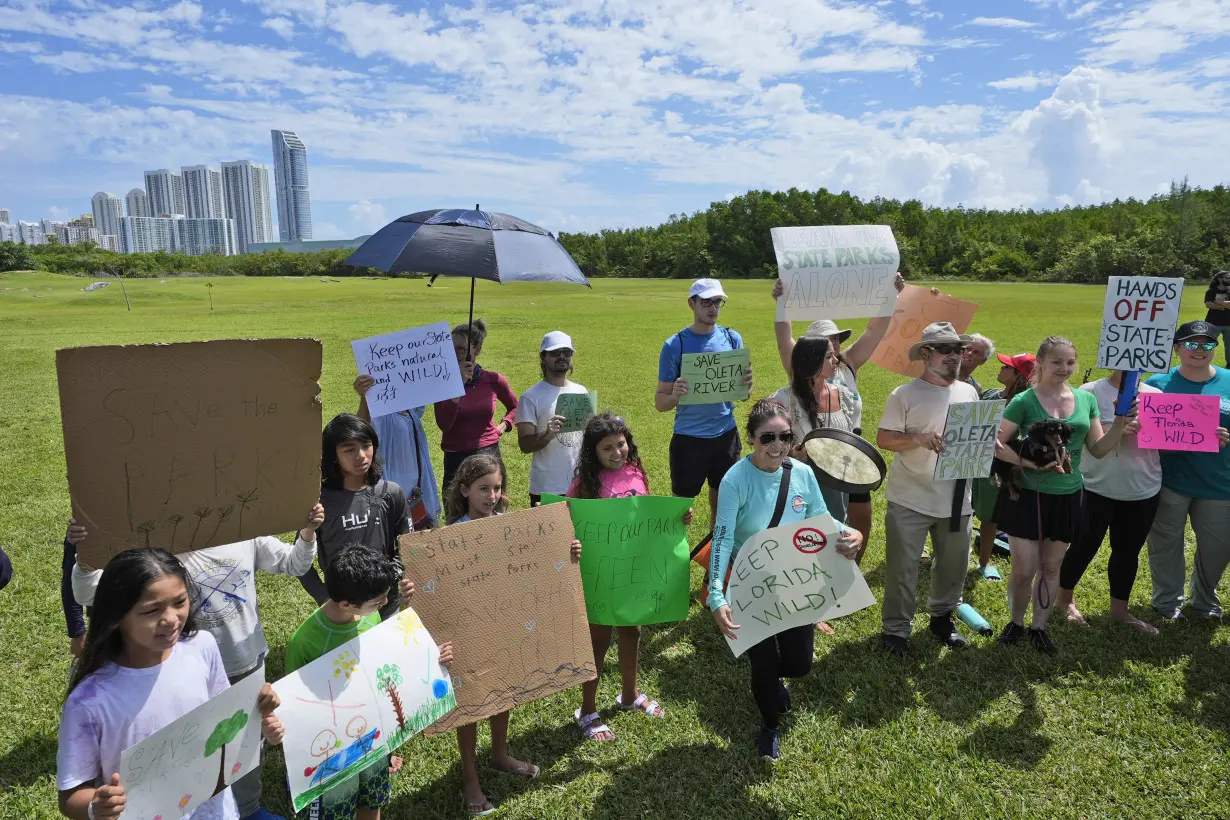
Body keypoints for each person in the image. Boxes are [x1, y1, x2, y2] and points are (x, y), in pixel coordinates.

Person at [70, 504, 323, 820]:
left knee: (243, 745)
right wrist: (86, 557)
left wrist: (308, 531)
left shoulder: (243, 533)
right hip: (187, 673)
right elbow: (89, 592)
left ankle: (247, 808)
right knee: (192, 750)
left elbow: (295, 563)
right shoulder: (158, 551)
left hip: (247, 660)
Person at [56, 548, 284, 820]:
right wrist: (97, 806)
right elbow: (70, 795)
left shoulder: (203, 647)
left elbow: (225, 724)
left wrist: (259, 718)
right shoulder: (89, 701)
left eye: (179, 602)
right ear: (117, 616)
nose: (171, 618)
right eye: (152, 610)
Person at [708, 399, 862, 760]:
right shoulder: (735, 479)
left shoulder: (802, 473)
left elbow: (820, 517)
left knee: (799, 665)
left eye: (785, 437)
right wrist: (718, 594)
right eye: (767, 438)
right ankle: (769, 725)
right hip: (751, 580)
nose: (777, 446)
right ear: (750, 439)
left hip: (794, 578)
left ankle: (776, 681)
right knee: (763, 663)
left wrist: (850, 532)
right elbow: (723, 536)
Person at [436, 453, 582, 815]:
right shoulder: (451, 537)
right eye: (483, 488)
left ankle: (499, 754)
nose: (491, 495)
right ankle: (469, 777)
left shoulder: (510, 526)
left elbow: (537, 566)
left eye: (497, 488)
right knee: (469, 702)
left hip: (507, 626)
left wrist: (568, 550)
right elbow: (435, 587)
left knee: (505, 687)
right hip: (469, 632)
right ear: (465, 490)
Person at [285, 545, 451, 820]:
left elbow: (390, 661)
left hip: (373, 742)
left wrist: (435, 657)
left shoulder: (369, 617)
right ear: (346, 604)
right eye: (378, 601)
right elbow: (293, 710)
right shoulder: (305, 643)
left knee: (373, 801)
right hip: (332, 756)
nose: (384, 605)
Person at [994, 336, 1131, 654]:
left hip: (1068, 496)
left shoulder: (1086, 400)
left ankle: (1038, 627)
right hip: (1027, 495)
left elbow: (1097, 449)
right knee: (1024, 569)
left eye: (1070, 362)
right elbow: (996, 444)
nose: (1064, 368)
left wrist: (1120, 423)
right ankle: (1015, 622)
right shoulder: (1025, 401)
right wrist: (1029, 463)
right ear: (1041, 362)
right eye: (1056, 362)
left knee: (1052, 568)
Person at [566, 412, 690, 742]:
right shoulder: (584, 485)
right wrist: (572, 543)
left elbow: (647, 516)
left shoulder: (635, 472)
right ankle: (587, 709)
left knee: (632, 632)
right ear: (594, 453)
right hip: (600, 575)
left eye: (620, 444)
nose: (617, 452)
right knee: (599, 641)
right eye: (607, 448)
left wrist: (677, 519)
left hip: (633, 573)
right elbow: (568, 522)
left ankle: (629, 694)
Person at [771, 273, 907, 561]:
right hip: (807, 475)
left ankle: (848, 571)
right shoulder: (793, 385)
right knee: (807, 535)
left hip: (848, 463)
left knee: (850, 522)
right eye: (827, 343)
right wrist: (782, 300)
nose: (835, 347)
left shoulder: (847, 369)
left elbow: (875, 331)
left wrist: (890, 296)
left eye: (837, 341)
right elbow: (783, 333)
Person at [876, 322, 981, 658]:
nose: (955, 356)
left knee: (954, 565)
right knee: (902, 569)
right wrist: (918, 439)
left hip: (956, 499)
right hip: (911, 496)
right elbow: (884, 439)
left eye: (958, 350)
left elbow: (976, 440)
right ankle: (895, 630)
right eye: (946, 349)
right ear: (926, 353)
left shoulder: (969, 391)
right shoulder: (903, 395)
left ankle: (941, 618)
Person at [1053, 370, 1161, 634]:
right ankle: (1064, 600)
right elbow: (1087, 442)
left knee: (1128, 551)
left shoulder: (1156, 396)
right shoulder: (1090, 391)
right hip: (1096, 486)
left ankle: (1119, 609)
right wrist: (1118, 425)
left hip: (1143, 487)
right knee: (1083, 544)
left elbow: (1169, 439)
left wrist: (1206, 436)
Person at [1144, 320, 1230, 620]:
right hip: (1169, 480)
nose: (1200, 350)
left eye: (1208, 344)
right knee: (1165, 543)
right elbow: (1146, 436)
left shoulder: (1229, 380)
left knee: (1218, 547)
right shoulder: (1156, 384)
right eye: (1191, 344)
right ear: (1177, 348)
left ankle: (1205, 602)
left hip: (1219, 483)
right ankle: (1167, 602)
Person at [655, 278, 754, 527]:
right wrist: (676, 394)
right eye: (706, 302)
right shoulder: (674, 345)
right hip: (689, 439)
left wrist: (746, 385)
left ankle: (715, 561)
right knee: (679, 511)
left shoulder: (732, 339)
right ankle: (673, 561)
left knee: (723, 508)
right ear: (691, 304)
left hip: (725, 435)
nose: (712, 308)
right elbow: (660, 402)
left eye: (717, 302)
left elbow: (742, 396)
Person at [299, 414, 411, 622]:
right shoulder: (318, 503)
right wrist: (324, 597)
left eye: (367, 446)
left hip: (387, 606)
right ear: (332, 454)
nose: (361, 455)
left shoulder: (391, 493)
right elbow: (300, 559)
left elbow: (408, 546)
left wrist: (385, 582)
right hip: (343, 612)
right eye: (349, 449)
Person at [434, 319, 518, 495]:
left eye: (461, 349)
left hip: (488, 454)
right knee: (456, 516)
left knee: (493, 511)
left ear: (477, 349)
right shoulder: (442, 383)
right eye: (451, 347)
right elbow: (444, 424)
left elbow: (515, 406)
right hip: (455, 458)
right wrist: (457, 385)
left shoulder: (493, 380)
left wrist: (504, 425)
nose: (455, 353)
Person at [971, 353, 1035, 581]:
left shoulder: (1024, 405)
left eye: (1007, 366)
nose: (1001, 368)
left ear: (1017, 375)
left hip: (997, 468)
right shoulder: (990, 395)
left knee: (990, 517)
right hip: (971, 459)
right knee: (964, 508)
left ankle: (983, 563)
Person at [354, 375, 442, 529]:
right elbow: (360, 432)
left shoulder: (409, 408)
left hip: (417, 485)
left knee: (417, 539)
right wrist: (364, 399)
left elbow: (420, 402)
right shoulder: (379, 412)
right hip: (395, 486)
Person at [516, 331, 589, 506]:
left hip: (582, 484)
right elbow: (525, 445)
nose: (562, 356)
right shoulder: (530, 397)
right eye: (555, 352)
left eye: (567, 352)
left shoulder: (581, 392)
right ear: (543, 357)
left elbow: (589, 437)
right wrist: (547, 434)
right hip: (547, 488)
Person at [1203, 270, 1230, 366]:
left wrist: (1218, 303)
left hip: (1228, 323)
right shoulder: (1211, 291)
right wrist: (1225, 305)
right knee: (1209, 343)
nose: (1229, 279)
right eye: (1227, 277)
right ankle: (1204, 362)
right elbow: (1208, 304)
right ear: (1219, 279)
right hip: (1213, 322)